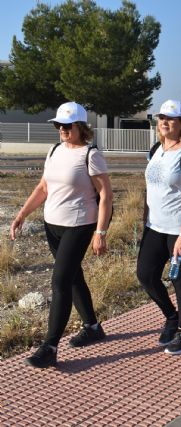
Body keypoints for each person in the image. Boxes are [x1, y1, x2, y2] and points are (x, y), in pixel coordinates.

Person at [10, 101, 113, 368]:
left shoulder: (90, 154)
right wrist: (22, 214)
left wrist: (100, 231)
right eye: (58, 125)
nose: (62, 130)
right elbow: (43, 187)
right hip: (52, 225)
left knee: (60, 282)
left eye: (67, 126)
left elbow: (105, 196)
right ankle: (92, 327)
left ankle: (50, 347)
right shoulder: (55, 150)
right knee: (73, 276)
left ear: (80, 127)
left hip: (79, 225)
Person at [136, 100, 181, 355]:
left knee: (180, 280)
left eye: (171, 118)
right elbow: (151, 189)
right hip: (155, 226)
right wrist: (144, 220)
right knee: (145, 274)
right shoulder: (157, 149)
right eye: (161, 117)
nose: (164, 122)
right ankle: (171, 316)